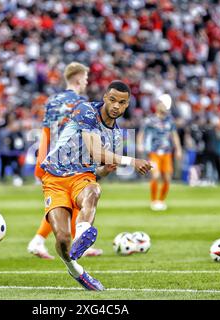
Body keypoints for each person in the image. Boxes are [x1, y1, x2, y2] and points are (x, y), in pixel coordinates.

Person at [40, 81, 152, 290]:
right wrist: (132, 161)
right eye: (112, 100)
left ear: (127, 105)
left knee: (94, 189)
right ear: (104, 98)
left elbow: (96, 171)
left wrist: (104, 171)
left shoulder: (116, 136)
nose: (116, 106)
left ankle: (83, 232)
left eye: (122, 102)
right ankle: (76, 271)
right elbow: (96, 152)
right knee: (63, 238)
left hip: (82, 178)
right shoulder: (87, 110)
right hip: (54, 178)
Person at [27, 62, 103, 259]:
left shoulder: (52, 101)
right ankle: (46, 241)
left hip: (53, 160)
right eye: (85, 77)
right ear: (78, 78)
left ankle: (42, 241)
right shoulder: (82, 103)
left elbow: (46, 133)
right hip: (74, 160)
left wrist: (40, 163)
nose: (87, 81)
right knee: (77, 201)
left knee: (63, 205)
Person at [137, 97, 182, 211]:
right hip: (154, 152)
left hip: (167, 153)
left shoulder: (169, 120)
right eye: (162, 104)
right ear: (157, 106)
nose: (165, 107)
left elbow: (174, 135)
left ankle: (161, 200)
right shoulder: (150, 120)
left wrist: (178, 149)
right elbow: (141, 133)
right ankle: (154, 201)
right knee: (156, 175)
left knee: (167, 178)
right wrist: (140, 145)